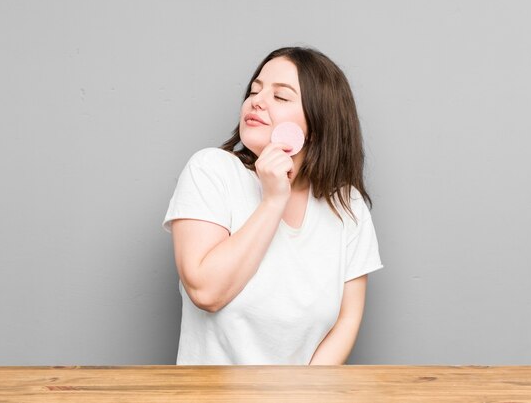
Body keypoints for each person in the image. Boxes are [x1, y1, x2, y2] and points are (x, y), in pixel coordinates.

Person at [163, 46, 383, 365]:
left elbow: (346, 321)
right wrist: (273, 200)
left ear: (319, 123)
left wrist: (303, 394)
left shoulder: (346, 204)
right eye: (255, 90)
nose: (257, 101)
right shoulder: (211, 170)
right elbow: (206, 292)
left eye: (280, 97)